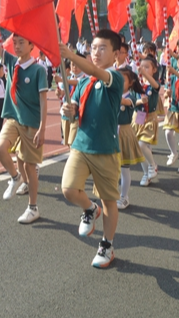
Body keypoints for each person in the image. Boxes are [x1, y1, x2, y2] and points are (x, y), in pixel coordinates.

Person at [59, 30, 123, 268]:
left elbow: (95, 71)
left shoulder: (115, 78)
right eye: (93, 48)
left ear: (115, 54)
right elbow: (75, 106)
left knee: (109, 201)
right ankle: (89, 208)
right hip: (81, 145)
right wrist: (69, 110)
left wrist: (69, 55)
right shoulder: (84, 82)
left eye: (103, 48)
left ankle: (107, 245)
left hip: (106, 149)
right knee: (68, 189)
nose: (96, 52)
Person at [0, 27, 48, 224]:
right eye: (15, 42)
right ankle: (15, 178)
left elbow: (43, 100)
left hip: (31, 123)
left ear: (32, 46)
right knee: (0, 148)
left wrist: (42, 127)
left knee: (29, 166)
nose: (17, 46)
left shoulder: (39, 70)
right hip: (14, 118)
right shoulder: (12, 62)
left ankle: (33, 208)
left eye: (22, 42)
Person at [115, 67, 145, 210]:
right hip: (111, 133)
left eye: (122, 80)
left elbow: (125, 103)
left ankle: (124, 197)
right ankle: (113, 194)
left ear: (130, 83)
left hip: (124, 133)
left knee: (124, 168)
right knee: (112, 167)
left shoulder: (131, 97)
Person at [133, 57, 161, 186]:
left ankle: (153, 165)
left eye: (147, 67)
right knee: (141, 150)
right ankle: (146, 173)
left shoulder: (153, 84)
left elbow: (156, 86)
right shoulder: (136, 84)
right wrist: (139, 102)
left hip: (150, 118)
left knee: (142, 145)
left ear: (154, 69)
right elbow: (133, 100)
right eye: (142, 67)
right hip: (138, 117)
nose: (143, 69)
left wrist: (144, 74)